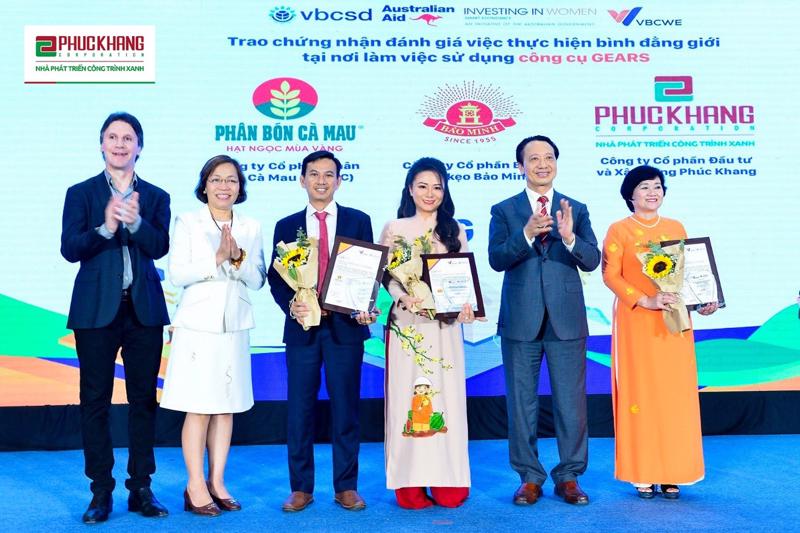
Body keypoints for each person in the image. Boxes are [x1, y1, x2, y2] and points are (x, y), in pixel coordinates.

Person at [60, 112, 170, 523]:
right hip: (95, 312)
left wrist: (136, 222)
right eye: (113, 137)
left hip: (143, 311)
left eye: (128, 138)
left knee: (143, 400)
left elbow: (159, 246)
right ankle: (100, 492)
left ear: (140, 146)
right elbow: (70, 248)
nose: (120, 144)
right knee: (95, 401)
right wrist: (106, 228)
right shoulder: (81, 193)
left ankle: (141, 487)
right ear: (101, 144)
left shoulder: (156, 195)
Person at [488, 135, 600, 506]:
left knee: (572, 404)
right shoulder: (504, 210)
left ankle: (569, 476)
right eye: (533, 158)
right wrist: (526, 234)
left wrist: (569, 238)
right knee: (522, 403)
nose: (542, 164)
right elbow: (497, 259)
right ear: (520, 165)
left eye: (548, 157)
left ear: (556, 162)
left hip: (566, 320)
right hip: (521, 319)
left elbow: (592, 259)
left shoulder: (577, 209)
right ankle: (529, 477)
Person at [601, 165, 718, 499]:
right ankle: (643, 470)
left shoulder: (675, 227)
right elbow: (611, 276)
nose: (652, 193)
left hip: (675, 322)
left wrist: (702, 302)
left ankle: (673, 471)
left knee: (674, 395)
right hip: (637, 320)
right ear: (630, 195)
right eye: (644, 187)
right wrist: (645, 299)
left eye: (657, 186)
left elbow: (689, 275)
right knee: (643, 395)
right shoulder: (619, 230)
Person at [268, 150, 374, 512]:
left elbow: (368, 271)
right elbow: (276, 277)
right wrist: (291, 305)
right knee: (299, 411)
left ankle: (346, 486)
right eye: (314, 174)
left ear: (339, 180)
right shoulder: (286, 226)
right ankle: (301, 488)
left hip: (345, 329)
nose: (322, 181)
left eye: (329, 175)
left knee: (346, 409)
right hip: (302, 330)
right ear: (302, 179)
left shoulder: (359, 221)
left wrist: (365, 305)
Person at [160, 155, 266, 516]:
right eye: (217, 179)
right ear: (204, 185)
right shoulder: (188, 221)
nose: (224, 186)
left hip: (235, 323)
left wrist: (237, 258)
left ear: (240, 187)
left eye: (232, 180)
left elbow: (258, 279)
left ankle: (217, 481)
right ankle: (194, 485)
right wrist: (216, 258)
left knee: (226, 406)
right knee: (200, 406)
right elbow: (177, 274)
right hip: (197, 325)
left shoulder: (251, 225)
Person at [380, 157, 479, 509]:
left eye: (437, 186)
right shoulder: (395, 227)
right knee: (408, 398)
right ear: (410, 189)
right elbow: (387, 277)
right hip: (407, 325)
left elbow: (463, 281)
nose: (430, 193)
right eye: (422, 185)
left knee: (446, 397)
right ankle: (408, 481)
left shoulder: (454, 231)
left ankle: (447, 478)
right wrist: (404, 297)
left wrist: (465, 306)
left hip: (444, 327)